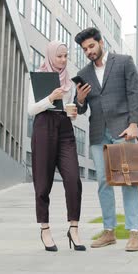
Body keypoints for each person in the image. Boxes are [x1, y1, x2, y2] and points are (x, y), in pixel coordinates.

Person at [73, 28, 138, 252]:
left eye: (92, 46)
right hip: (97, 133)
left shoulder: (123, 62)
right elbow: (81, 108)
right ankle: (109, 231)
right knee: (103, 181)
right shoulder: (83, 73)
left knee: (128, 180)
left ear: (101, 43)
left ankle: (134, 232)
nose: (89, 52)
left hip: (122, 129)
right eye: (85, 49)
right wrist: (80, 99)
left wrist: (134, 124)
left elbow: (134, 93)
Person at [28, 41, 85, 252]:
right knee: (43, 182)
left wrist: (74, 113)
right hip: (43, 127)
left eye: (65, 56)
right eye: (59, 56)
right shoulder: (38, 76)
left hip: (64, 128)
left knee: (73, 179)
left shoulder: (69, 80)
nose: (62, 60)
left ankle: (74, 228)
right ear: (51, 56)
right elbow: (31, 109)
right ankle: (45, 228)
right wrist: (50, 98)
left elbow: (71, 109)